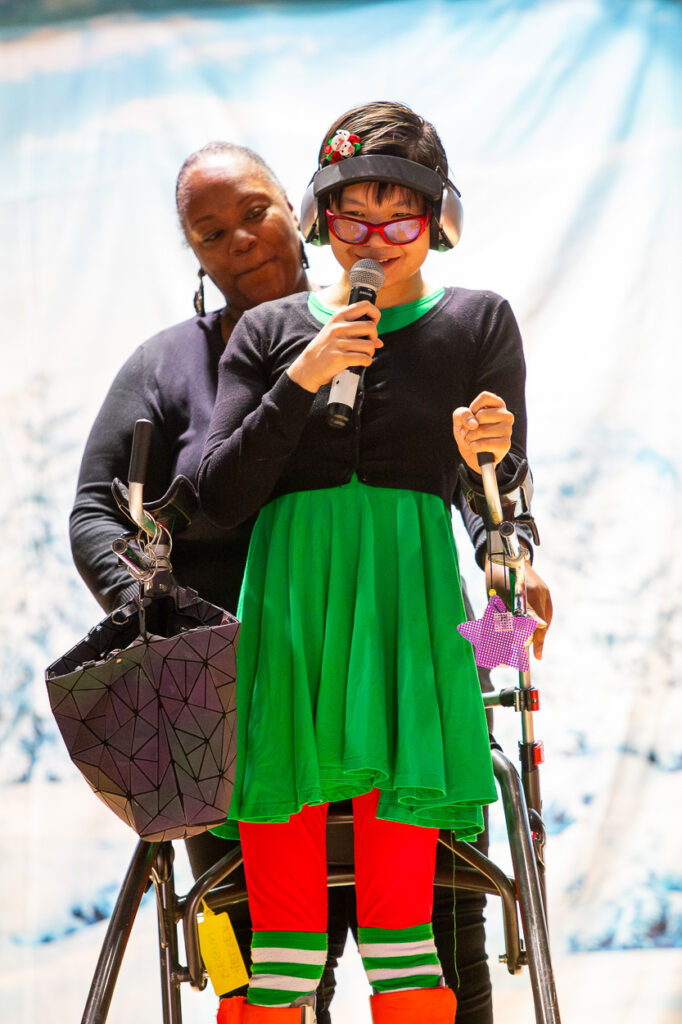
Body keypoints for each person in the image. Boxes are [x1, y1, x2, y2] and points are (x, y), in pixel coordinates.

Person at [197, 100, 546, 1024]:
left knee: (405, 941)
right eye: (355, 219)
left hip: (413, 627)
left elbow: (502, 514)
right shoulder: (269, 332)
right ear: (322, 222)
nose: (378, 240)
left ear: (440, 222)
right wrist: (302, 378)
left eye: (402, 219)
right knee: (279, 945)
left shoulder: (480, 324)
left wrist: (511, 586)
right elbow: (212, 495)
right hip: (289, 631)